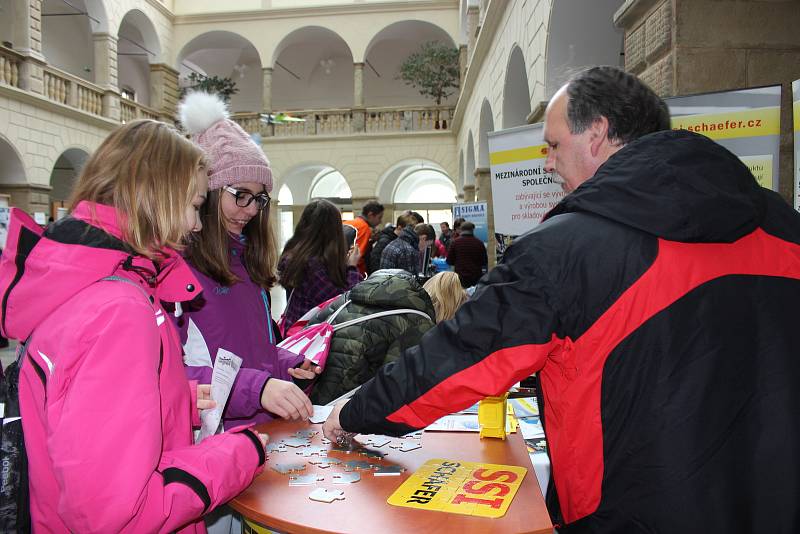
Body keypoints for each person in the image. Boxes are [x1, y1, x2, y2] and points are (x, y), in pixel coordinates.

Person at [324, 65, 800, 532]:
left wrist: (356, 411)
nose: (548, 163)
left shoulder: (566, 248)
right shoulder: (784, 225)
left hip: (628, 510)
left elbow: (464, 353)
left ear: (597, 133)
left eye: (553, 145)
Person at [0, 120, 266, 532]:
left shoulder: (89, 284)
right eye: (195, 205)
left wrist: (176, 398)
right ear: (156, 197)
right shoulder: (120, 309)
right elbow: (117, 513)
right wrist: (239, 454)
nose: (197, 224)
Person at [175, 91, 316, 433]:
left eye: (259, 199)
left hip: (258, 435)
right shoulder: (176, 271)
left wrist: (287, 365)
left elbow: (250, 355)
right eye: (240, 195)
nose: (252, 209)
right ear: (206, 195)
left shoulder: (245, 262)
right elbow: (173, 377)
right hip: (215, 439)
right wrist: (259, 388)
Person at [305, 269, 436, 405]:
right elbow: (398, 386)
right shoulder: (417, 320)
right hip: (350, 410)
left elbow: (307, 336)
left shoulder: (342, 301)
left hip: (302, 401)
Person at [279, 199, 363, 332]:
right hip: (313, 339)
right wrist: (351, 266)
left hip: (296, 331)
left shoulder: (293, 254)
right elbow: (346, 304)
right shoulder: (313, 265)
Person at [344, 200, 384, 275]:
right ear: (370, 215)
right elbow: (357, 257)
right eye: (379, 217)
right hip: (354, 274)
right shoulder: (364, 227)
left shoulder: (348, 223)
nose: (380, 221)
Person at [446, 221, 487, 287]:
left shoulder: (455, 243)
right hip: (475, 278)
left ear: (461, 229)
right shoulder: (479, 243)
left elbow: (449, 261)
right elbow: (484, 262)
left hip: (460, 278)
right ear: (473, 230)